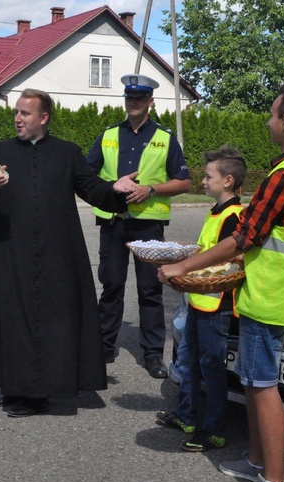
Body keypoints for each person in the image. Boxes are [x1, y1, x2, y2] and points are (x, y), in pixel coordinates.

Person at [159, 83, 284, 482]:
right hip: (281, 293)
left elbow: (243, 238)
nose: (268, 121)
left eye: (272, 115)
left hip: (271, 296)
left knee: (263, 386)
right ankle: (256, 462)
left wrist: (182, 265)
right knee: (254, 382)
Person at [0, 88, 139, 417]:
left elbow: (91, 188)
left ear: (43, 118)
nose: (18, 118)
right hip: (8, 252)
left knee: (54, 320)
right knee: (12, 320)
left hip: (56, 253)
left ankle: (47, 390)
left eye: (25, 113)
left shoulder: (67, 153)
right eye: (16, 112)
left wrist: (114, 189)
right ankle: (15, 389)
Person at [86, 73, 192, 378]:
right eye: (130, 97)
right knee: (111, 286)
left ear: (150, 102)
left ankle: (153, 354)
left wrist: (152, 190)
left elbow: (184, 181)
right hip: (114, 222)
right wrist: (111, 186)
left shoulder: (164, 137)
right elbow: (87, 176)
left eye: (140, 98)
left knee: (150, 291)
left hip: (148, 226)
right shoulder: (107, 135)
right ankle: (104, 347)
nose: (134, 102)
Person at [155, 147, 246, 451]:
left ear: (228, 181)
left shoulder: (234, 217)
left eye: (209, 176)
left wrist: (187, 271)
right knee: (189, 360)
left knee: (211, 366)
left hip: (215, 304)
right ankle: (187, 416)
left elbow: (226, 260)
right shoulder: (217, 211)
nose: (203, 181)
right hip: (198, 300)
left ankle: (215, 430)